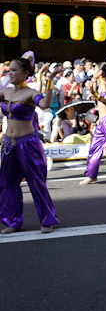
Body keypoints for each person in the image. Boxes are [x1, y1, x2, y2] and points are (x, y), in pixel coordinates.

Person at [0, 55, 60, 233]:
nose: (10, 73)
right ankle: (13, 221)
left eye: (14, 70)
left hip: (28, 145)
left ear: (25, 73)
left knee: (36, 182)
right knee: (6, 183)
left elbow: (45, 103)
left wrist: (49, 81)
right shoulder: (6, 91)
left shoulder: (30, 93)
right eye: (9, 69)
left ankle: (47, 219)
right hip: (9, 145)